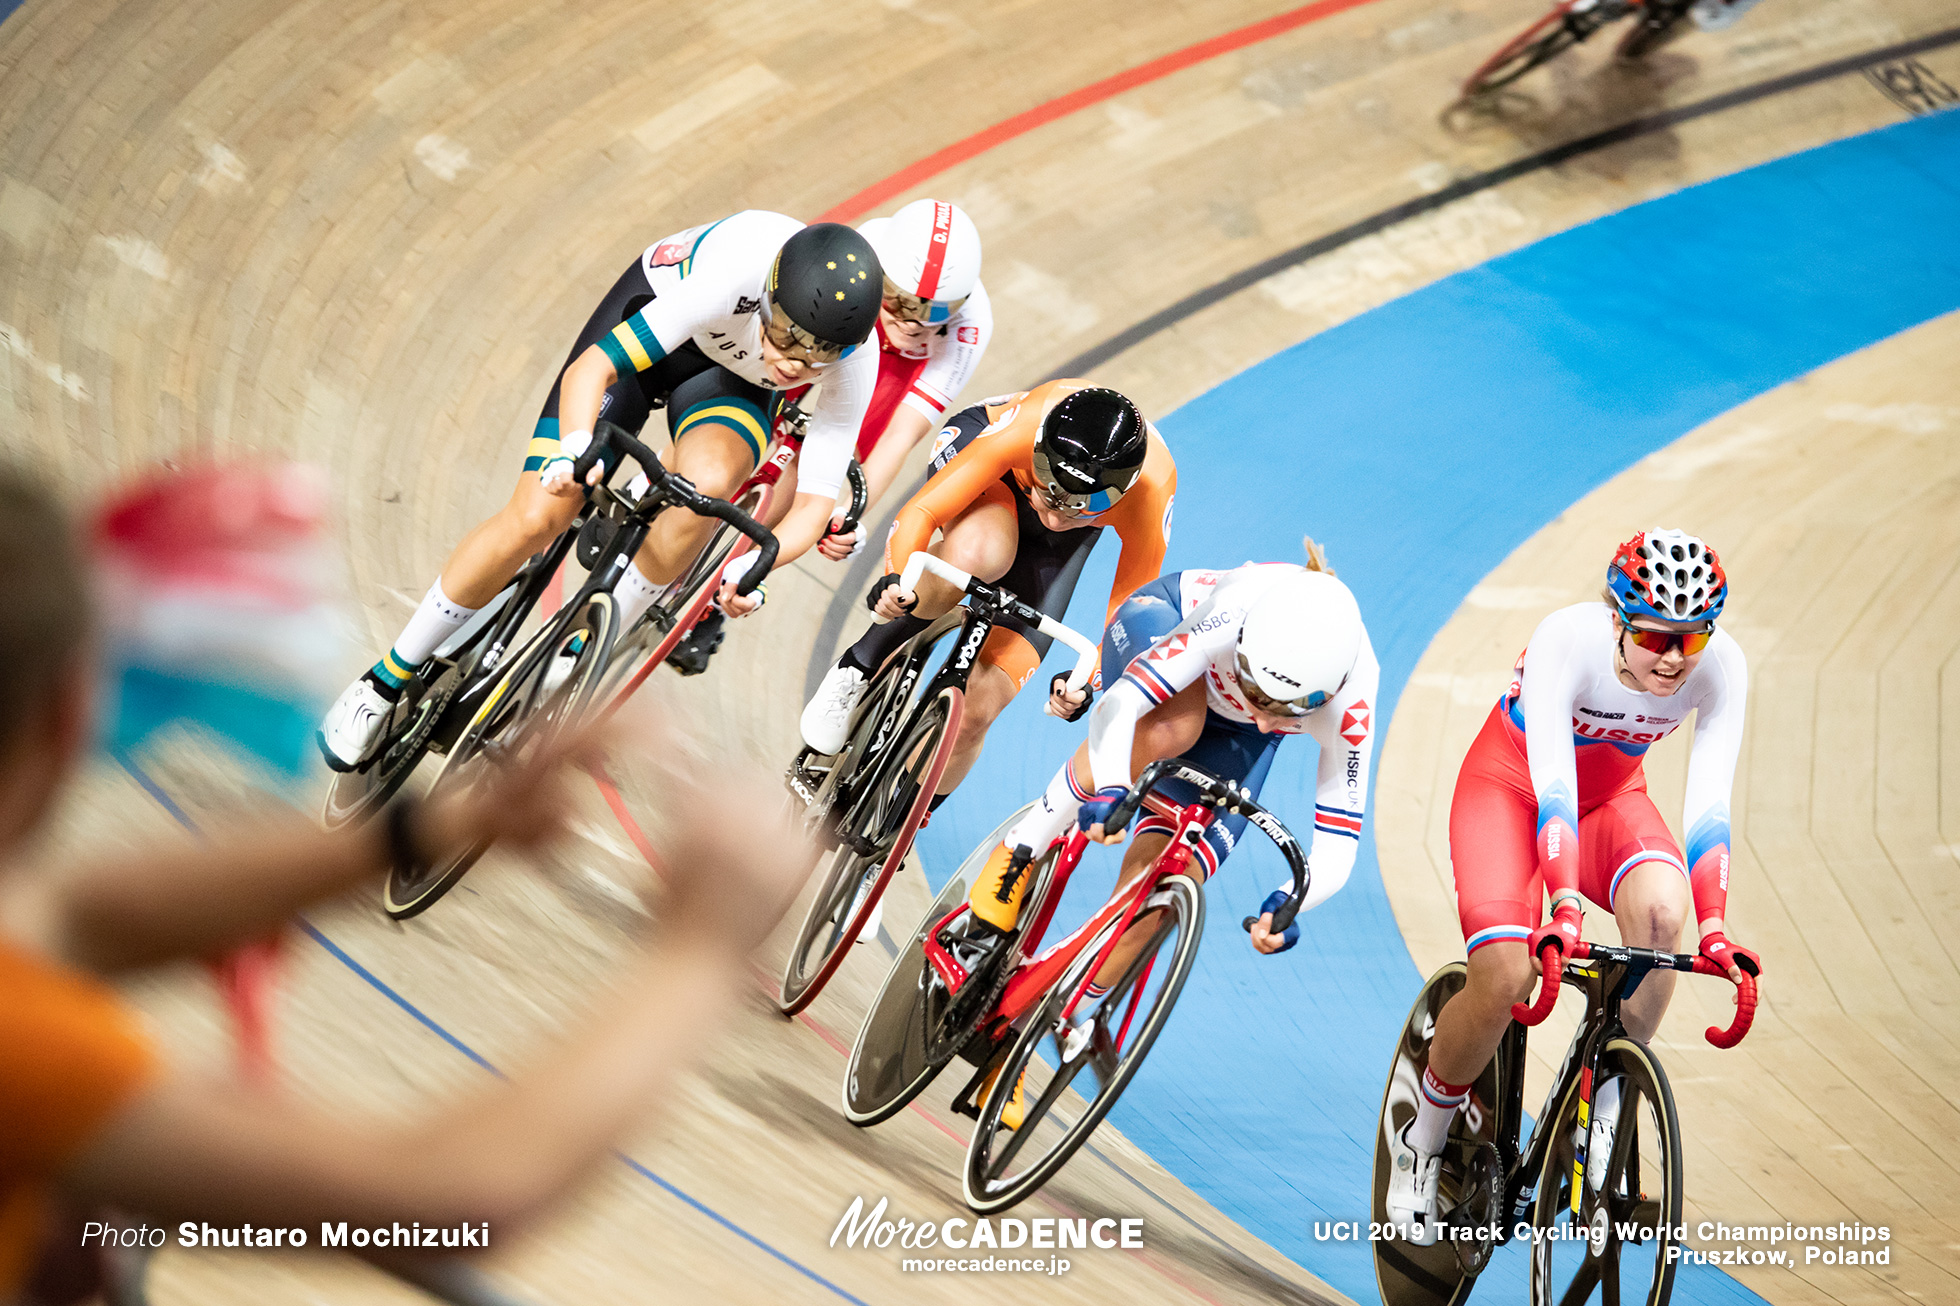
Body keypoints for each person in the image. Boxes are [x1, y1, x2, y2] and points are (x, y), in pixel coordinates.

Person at [0, 465, 808, 1299]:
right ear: (68, 719)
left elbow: (73, 912)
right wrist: (701, 944)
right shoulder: (25, 1041)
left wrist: (438, 823)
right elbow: (450, 1198)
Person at [318, 212, 882, 768]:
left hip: (730, 383)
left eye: (818, 356)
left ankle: (579, 654)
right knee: (541, 515)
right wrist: (575, 447)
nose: (792, 363)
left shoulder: (855, 363)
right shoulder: (734, 272)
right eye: (785, 336)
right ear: (768, 294)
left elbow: (812, 507)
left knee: (706, 491)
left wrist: (752, 571)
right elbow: (592, 371)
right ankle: (384, 682)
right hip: (658, 329)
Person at [1384, 529, 1761, 1241]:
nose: (1674, 659)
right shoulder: (1568, 638)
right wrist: (1560, 905)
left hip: (1611, 802)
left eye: (1694, 638)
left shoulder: (1723, 668)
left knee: (1660, 919)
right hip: (1512, 789)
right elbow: (1552, 780)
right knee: (1505, 974)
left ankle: (1604, 1116)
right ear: (1617, 620)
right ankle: (1421, 1142)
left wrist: (1716, 926)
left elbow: (1710, 803)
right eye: (1655, 635)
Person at [961, 546, 1379, 1125]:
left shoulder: (1354, 697)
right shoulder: (1232, 611)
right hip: (1161, 626)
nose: (1265, 717)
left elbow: (1339, 838)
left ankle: (1034, 1027)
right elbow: (1121, 708)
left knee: (1174, 884)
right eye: (1260, 695)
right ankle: (1022, 850)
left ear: (1327, 694)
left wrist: (1291, 900)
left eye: (1285, 711)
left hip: (1228, 729)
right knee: (1171, 728)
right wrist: (1109, 788)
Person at [799, 381, 1177, 801]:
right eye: (1051, 492)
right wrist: (897, 577)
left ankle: (899, 820)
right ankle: (859, 664)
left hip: (1062, 544)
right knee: (979, 555)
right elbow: (923, 510)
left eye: (1076, 504)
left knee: (976, 713)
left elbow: (1129, 610)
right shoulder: (1025, 429)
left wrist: (1088, 680)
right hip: (990, 470)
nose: (1054, 515)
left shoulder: (1152, 490)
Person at [847, 199, 992, 512]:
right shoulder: (864, 245)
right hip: (862, 322)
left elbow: (900, 436)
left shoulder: (972, 321)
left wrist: (850, 512)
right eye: (899, 300)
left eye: (935, 312)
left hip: (905, 359)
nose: (912, 322)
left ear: (959, 306)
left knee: (851, 447)